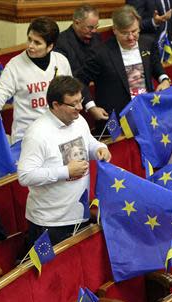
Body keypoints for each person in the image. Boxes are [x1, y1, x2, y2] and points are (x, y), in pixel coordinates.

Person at [17, 75, 111, 245]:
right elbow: (25, 176)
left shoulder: (78, 120)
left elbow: (88, 143)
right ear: (56, 105)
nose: (80, 108)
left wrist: (99, 149)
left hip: (79, 213)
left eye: (80, 101)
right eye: (73, 104)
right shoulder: (37, 134)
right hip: (50, 223)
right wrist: (66, 171)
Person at [0, 17, 102, 144]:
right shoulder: (15, 65)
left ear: (50, 46)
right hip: (27, 136)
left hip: (59, 132)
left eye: (37, 43)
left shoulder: (61, 61)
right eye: (29, 39)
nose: (30, 46)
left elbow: (72, 92)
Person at [76, 5, 170, 129]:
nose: (131, 37)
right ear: (115, 30)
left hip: (145, 113)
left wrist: (164, 79)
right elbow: (79, 80)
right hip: (116, 119)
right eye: (125, 33)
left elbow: (155, 65)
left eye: (134, 31)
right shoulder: (100, 53)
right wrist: (91, 107)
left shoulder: (147, 43)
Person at [54, 4, 102, 75]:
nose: (94, 31)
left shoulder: (97, 37)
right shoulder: (60, 42)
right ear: (76, 23)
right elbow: (65, 74)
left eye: (96, 27)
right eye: (90, 27)